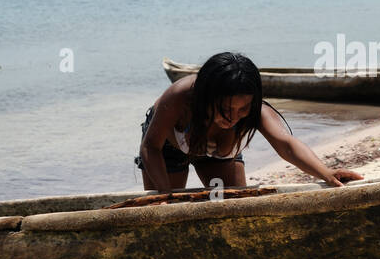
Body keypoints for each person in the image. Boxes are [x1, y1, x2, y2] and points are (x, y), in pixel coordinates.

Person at [136, 52, 362, 192]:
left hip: (217, 155)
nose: (233, 117)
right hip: (167, 151)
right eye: (225, 109)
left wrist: (326, 172)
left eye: (242, 109)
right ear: (206, 98)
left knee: (232, 206)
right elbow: (150, 147)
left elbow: (287, 145)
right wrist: (166, 195)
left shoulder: (255, 111)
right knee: (166, 209)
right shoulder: (180, 97)